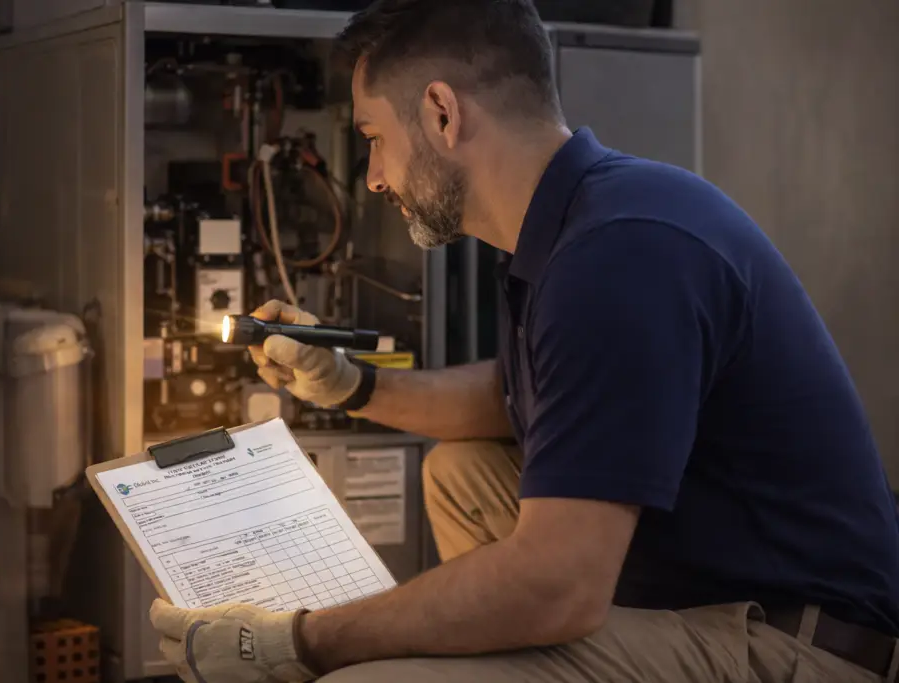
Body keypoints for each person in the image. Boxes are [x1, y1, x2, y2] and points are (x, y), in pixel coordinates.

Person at [147, 1, 899, 681]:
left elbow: (557, 584)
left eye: (374, 138)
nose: (373, 178)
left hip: (797, 644)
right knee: (461, 471)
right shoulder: (575, 224)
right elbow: (518, 395)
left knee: (367, 679)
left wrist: (297, 641)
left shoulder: (617, 256)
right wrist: (349, 383)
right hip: (702, 586)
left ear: (441, 113)